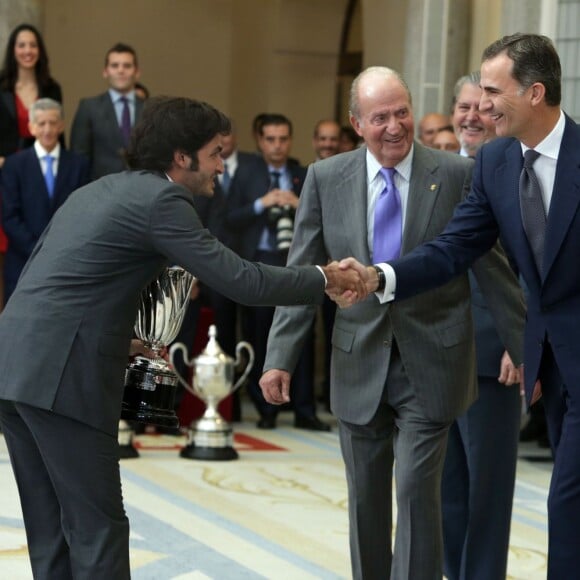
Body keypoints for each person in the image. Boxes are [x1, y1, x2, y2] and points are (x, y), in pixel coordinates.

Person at [0, 96, 366, 579]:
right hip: (65, 377)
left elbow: (54, 279)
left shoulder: (102, 188)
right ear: (181, 157)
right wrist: (324, 278)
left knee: (51, 529)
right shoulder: (164, 200)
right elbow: (242, 280)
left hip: (16, 367)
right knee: (98, 529)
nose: (221, 164)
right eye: (215, 152)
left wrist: (119, 337)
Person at [260, 66, 524, 579]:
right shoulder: (325, 178)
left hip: (433, 359)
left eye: (402, 112)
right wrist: (278, 359)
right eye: (380, 117)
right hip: (358, 360)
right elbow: (303, 275)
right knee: (365, 499)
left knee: (417, 492)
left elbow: (493, 270)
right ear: (357, 123)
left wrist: (526, 348)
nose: (395, 126)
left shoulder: (455, 174)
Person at [357, 33, 578, 579]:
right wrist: (381, 277)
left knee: (567, 501)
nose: (479, 106)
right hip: (553, 359)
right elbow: (455, 247)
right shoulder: (497, 162)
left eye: (491, 91)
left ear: (535, 93)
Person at [441, 71, 525, 580]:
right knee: (444, 488)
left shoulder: (517, 174)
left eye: (482, 106)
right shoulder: (441, 172)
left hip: (494, 354)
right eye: (464, 107)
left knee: (487, 491)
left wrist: (520, 343)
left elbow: (533, 271)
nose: (473, 116)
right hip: (437, 353)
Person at [228, 113, 330, 431]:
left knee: (302, 332)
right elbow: (227, 217)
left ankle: (304, 409)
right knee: (261, 334)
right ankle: (265, 408)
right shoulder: (245, 173)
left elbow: (326, 217)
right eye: (271, 139)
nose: (277, 145)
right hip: (259, 261)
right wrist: (262, 203)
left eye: (283, 138)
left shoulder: (304, 173)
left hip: (297, 263)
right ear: (259, 141)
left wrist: (300, 204)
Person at [1, 98, 90, 304]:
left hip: (66, 262)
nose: (47, 129)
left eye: (52, 123)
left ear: (61, 126)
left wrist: (60, 248)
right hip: (22, 263)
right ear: (32, 128)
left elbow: (83, 213)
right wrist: (38, 249)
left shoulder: (78, 164)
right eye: (41, 124)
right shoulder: (14, 166)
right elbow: (10, 217)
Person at [0, 23, 62, 310]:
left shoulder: (51, 86)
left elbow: (59, 132)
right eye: (21, 45)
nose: (27, 51)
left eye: (33, 45)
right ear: (13, 50)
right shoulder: (1, 86)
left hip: (41, 174)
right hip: (6, 174)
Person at [70, 42, 144, 180]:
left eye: (127, 66)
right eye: (115, 65)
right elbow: (79, 157)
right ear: (105, 71)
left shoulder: (150, 109)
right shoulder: (88, 107)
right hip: (101, 190)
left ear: (137, 72)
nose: (121, 70)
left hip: (142, 190)